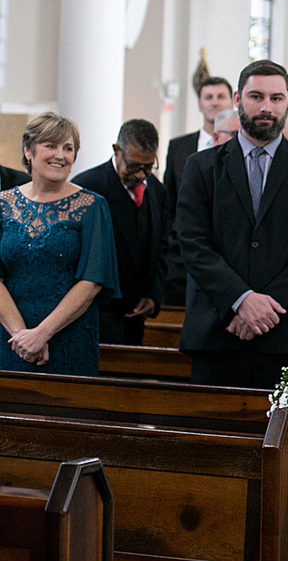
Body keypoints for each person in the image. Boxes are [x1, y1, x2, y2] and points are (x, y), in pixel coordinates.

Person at [176, 60, 288, 389]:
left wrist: (265, 308)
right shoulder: (201, 167)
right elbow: (193, 243)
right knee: (213, 439)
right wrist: (240, 300)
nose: (266, 107)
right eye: (256, 96)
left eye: (276, 98)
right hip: (218, 331)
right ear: (237, 99)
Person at [0, 113, 119, 375]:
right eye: (51, 146)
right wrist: (23, 337)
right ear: (28, 151)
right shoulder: (2, 204)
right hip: (9, 337)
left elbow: (91, 282)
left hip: (69, 336)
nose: (61, 155)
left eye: (68, 148)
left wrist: (42, 333)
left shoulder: (92, 206)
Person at [72, 119, 168, 345]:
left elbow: (162, 247)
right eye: (134, 166)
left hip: (135, 317)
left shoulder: (157, 191)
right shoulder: (87, 188)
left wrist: (153, 295)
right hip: (95, 315)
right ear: (117, 150)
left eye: (148, 166)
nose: (142, 175)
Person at [163, 76, 234, 306]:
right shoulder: (179, 147)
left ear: (232, 101)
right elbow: (169, 201)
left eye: (220, 96)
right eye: (208, 97)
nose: (214, 102)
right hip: (180, 260)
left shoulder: (246, 148)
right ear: (200, 104)